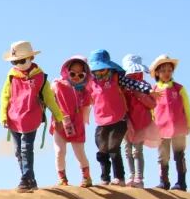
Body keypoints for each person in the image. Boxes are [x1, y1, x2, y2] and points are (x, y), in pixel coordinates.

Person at [0, 41, 63, 193]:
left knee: (26, 149)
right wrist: (3, 115)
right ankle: (30, 179)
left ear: (31, 59)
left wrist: (59, 116)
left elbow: (49, 98)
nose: (19, 64)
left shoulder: (41, 77)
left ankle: (25, 179)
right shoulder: (11, 76)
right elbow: (5, 96)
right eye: (15, 61)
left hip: (31, 117)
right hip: (13, 118)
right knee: (17, 151)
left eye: (22, 61)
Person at [149, 55, 190, 190]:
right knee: (163, 156)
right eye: (163, 70)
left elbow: (187, 106)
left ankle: (181, 182)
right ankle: (164, 181)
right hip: (160, 129)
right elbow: (152, 109)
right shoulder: (154, 90)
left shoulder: (179, 88)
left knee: (179, 155)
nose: (167, 73)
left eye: (169, 70)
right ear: (157, 73)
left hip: (178, 127)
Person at [87, 50, 130, 186]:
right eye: (96, 70)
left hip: (119, 119)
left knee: (113, 147)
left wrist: (147, 90)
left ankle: (119, 177)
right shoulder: (91, 82)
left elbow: (133, 84)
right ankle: (105, 178)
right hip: (101, 121)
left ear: (108, 67)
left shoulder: (116, 77)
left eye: (102, 69)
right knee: (102, 150)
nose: (99, 73)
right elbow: (81, 93)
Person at [50, 56, 92, 187]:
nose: (76, 77)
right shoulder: (57, 84)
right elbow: (48, 97)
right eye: (72, 73)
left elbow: (86, 108)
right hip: (59, 123)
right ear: (67, 72)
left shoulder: (85, 91)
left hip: (77, 124)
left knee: (79, 152)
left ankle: (86, 177)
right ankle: (62, 178)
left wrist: (85, 121)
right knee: (59, 152)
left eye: (81, 75)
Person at [121, 54, 160, 188]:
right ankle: (131, 175)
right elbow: (121, 105)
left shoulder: (145, 86)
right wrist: (126, 120)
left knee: (137, 151)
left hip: (142, 123)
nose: (135, 74)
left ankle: (139, 177)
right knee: (127, 150)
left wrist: (140, 96)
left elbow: (153, 104)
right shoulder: (124, 88)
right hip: (127, 123)